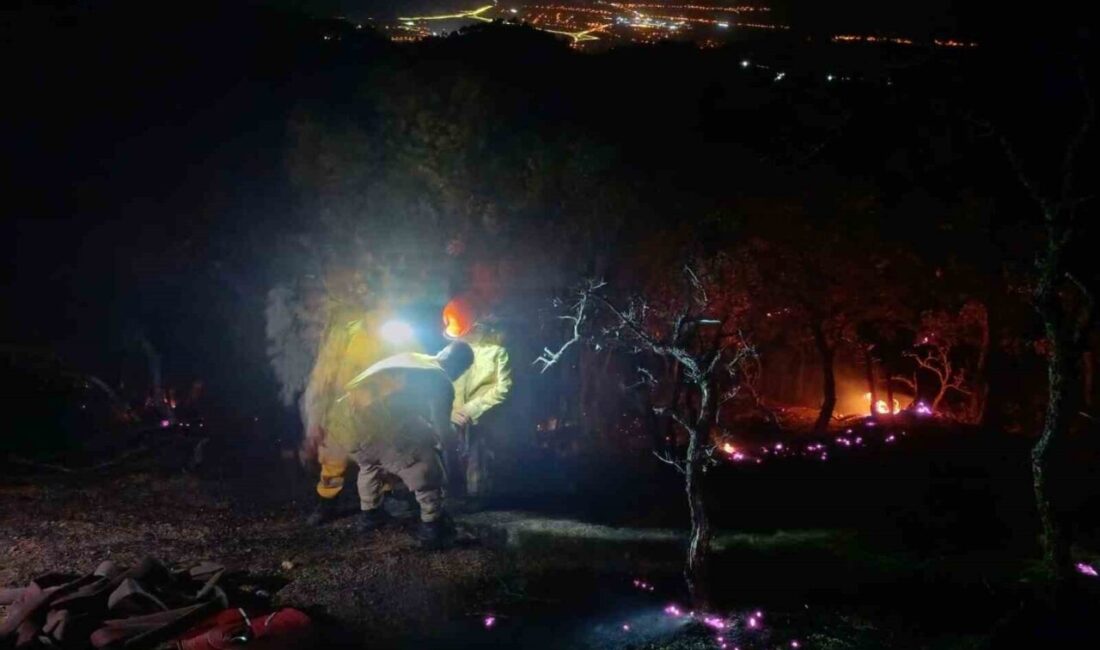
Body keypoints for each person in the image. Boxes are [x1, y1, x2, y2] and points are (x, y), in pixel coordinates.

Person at [302, 342, 475, 548]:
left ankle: (370, 514)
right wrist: (452, 445)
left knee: (370, 465)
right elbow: (441, 426)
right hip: (375, 422)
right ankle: (432, 525)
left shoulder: (412, 358)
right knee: (424, 462)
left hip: (343, 424)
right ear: (460, 367)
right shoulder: (440, 378)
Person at [442, 297, 513, 506]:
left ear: (476, 327)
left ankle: (477, 500)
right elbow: (444, 381)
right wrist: (450, 410)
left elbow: (503, 387)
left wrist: (472, 409)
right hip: (453, 415)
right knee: (448, 455)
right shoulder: (453, 350)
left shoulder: (497, 352)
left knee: (477, 457)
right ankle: (449, 496)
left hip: (481, 418)